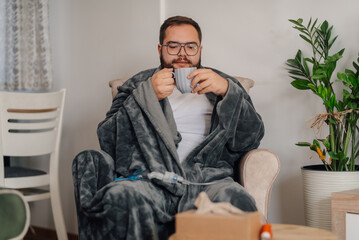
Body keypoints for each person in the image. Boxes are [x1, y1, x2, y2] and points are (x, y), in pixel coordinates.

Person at [72, 16, 264, 240]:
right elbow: (108, 139)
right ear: (160, 48)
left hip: (208, 180)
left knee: (237, 201)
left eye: (190, 46)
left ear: (199, 49)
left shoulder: (221, 83)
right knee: (120, 197)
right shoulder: (138, 84)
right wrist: (146, 96)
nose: (182, 54)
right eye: (173, 46)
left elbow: (251, 139)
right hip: (149, 180)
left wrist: (228, 92)